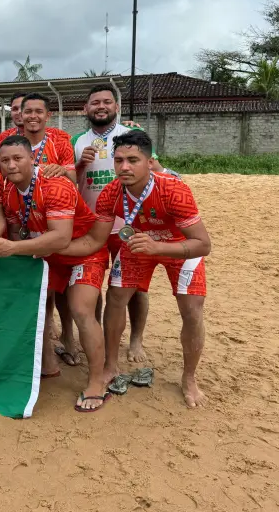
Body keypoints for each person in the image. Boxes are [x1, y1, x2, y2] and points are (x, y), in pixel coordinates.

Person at [59, 130, 211, 408]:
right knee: (116, 297)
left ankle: (189, 378)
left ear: (150, 162)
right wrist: (50, 247)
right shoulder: (111, 192)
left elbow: (203, 244)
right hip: (139, 243)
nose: (125, 167)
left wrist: (158, 247)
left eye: (133, 160)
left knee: (191, 310)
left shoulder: (173, 189)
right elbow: (95, 240)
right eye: (119, 161)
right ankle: (110, 366)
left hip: (180, 247)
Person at [0, 135, 110, 413]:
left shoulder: (55, 185)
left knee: (81, 310)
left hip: (83, 252)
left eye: (18, 158)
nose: (11, 165)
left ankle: (96, 382)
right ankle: (47, 363)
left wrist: (12, 248)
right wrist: (3, 243)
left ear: (32, 158)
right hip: (48, 255)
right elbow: (16, 231)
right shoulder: (9, 190)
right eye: (5, 160)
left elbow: (60, 238)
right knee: (32, 303)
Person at [69, 85, 150, 366]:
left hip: (129, 226)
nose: (101, 106)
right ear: (85, 109)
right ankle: (99, 339)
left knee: (135, 288)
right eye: (95, 103)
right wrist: (80, 164)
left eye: (106, 102)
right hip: (92, 227)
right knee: (92, 287)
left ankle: (136, 338)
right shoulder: (76, 140)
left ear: (116, 107)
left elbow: (151, 169)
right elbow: (69, 180)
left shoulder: (132, 134)